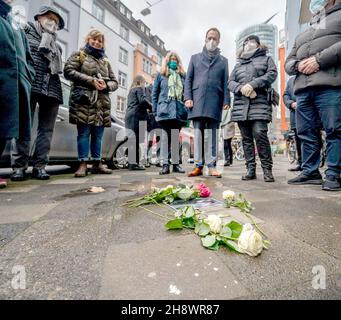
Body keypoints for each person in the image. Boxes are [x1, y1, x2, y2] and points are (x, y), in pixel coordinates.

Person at [285, 0, 341, 191]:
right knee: (306, 132)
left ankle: (333, 173)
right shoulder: (304, 32)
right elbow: (288, 62)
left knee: (335, 130)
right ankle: (310, 171)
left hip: (330, 84)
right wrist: (297, 65)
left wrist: (319, 60)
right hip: (303, 89)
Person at [10, 5, 65, 181]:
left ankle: (40, 166)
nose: (53, 23)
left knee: (46, 131)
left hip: (52, 89)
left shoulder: (57, 46)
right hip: (30, 84)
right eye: (49, 17)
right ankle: (19, 167)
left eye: (56, 21)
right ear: (39, 17)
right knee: (24, 127)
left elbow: (57, 69)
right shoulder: (24, 31)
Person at [64, 29, 118, 177]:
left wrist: (106, 85)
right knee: (83, 134)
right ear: (88, 39)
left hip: (101, 104)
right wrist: (91, 81)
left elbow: (115, 82)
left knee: (98, 136)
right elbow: (68, 71)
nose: (97, 42)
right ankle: (82, 164)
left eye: (100, 41)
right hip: (84, 101)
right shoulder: (79, 55)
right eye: (94, 39)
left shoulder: (105, 61)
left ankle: (96, 163)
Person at [229, 35, 278, 183]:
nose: (248, 44)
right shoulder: (238, 64)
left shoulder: (266, 59)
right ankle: (250, 169)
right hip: (241, 105)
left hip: (260, 103)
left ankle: (267, 170)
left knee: (260, 134)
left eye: (252, 42)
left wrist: (253, 84)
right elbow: (230, 82)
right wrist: (241, 88)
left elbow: (272, 74)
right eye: (246, 42)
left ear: (258, 44)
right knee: (246, 139)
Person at [185, 28, 230, 178]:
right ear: (205, 39)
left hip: (215, 101)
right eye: (209, 37)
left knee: (212, 135)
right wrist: (187, 97)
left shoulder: (224, 61)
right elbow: (188, 79)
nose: (212, 41)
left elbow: (225, 82)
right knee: (197, 134)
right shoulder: (195, 58)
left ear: (219, 41)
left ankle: (211, 166)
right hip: (196, 100)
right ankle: (198, 165)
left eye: (215, 38)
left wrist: (226, 100)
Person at [0, 0, 35, 188]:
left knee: (5, 130)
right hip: (4, 77)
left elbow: (28, 56)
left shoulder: (15, 24)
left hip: (16, 83)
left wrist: (27, 75)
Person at [152, 51, 188, 175]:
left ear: (178, 62)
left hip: (178, 110)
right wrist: (155, 111)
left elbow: (186, 94)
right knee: (165, 138)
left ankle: (176, 164)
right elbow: (155, 94)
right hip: (164, 110)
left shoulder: (183, 76)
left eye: (175, 59)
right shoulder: (160, 75)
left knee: (175, 138)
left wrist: (186, 109)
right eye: (171, 59)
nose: (173, 61)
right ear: (167, 61)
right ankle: (165, 164)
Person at [125, 75, 152, 171]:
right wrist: (151, 106)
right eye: (144, 83)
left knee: (132, 140)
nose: (145, 85)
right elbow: (142, 101)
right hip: (136, 117)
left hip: (130, 117)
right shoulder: (139, 88)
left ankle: (131, 162)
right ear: (141, 82)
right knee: (135, 140)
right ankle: (133, 164)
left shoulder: (131, 91)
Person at [283, 76, 303, 172]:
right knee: (298, 140)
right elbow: (286, 95)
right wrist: (291, 103)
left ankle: (310, 166)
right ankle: (301, 163)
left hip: (308, 114)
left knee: (310, 140)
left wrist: (301, 103)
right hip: (294, 115)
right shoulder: (291, 80)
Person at [146, 73, 161, 168]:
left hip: (159, 117)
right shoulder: (148, 89)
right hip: (151, 117)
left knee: (160, 139)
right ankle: (147, 158)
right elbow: (147, 101)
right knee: (149, 139)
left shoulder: (160, 89)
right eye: (155, 79)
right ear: (152, 79)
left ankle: (159, 159)